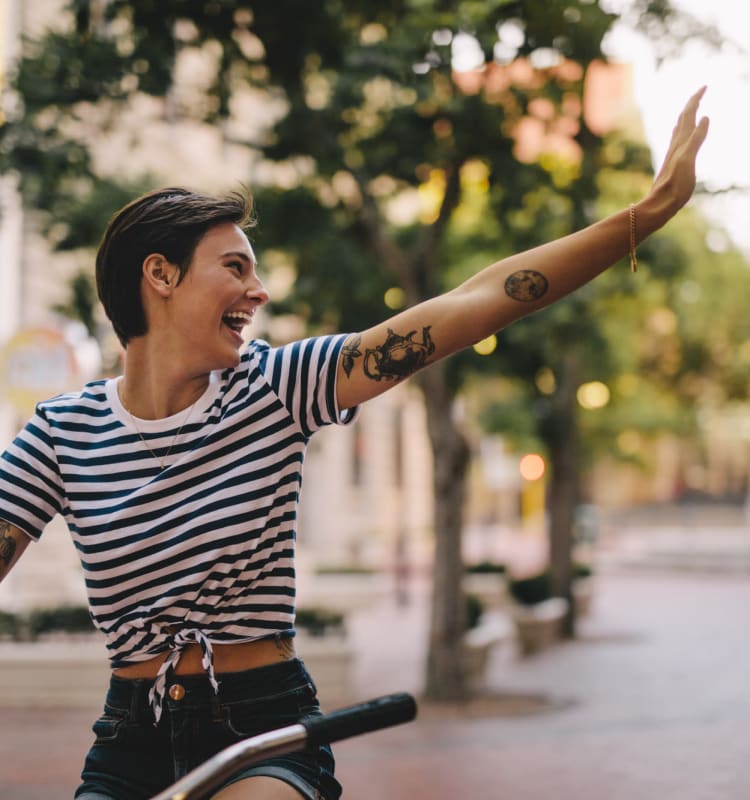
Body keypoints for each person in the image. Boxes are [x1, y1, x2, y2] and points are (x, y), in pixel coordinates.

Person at [0, 87, 708, 799]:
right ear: (160, 274)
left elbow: (473, 301)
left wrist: (641, 218)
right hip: (131, 740)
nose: (261, 291)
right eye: (235, 267)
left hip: (265, 730)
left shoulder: (280, 385)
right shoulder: (61, 434)